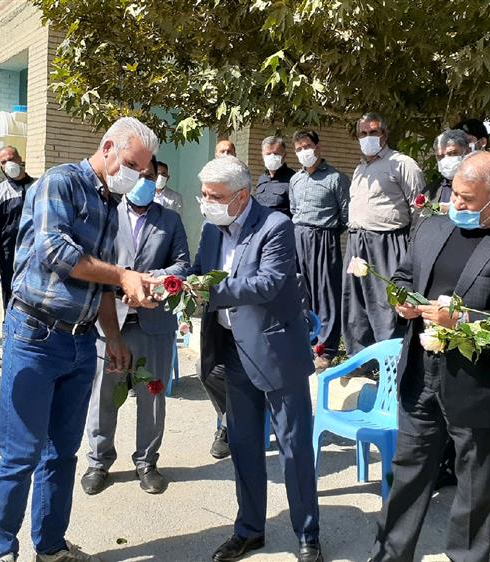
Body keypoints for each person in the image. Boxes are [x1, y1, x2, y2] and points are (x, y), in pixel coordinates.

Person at [0, 117, 162, 562]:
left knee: (62, 453)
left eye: (142, 170)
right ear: (108, 147)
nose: (135, 176)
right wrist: (124, 275)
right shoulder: (60, 183)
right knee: (21, 454)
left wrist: (113, 336)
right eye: (131, 164)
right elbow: (55, 252)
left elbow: (99, 283)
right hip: (36, 334)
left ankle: (49, 547)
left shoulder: (110, 203)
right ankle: (1, 551)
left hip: (81, 342)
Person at [370, 152, 490, 562]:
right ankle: (389, 555)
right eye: (454, 193)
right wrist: (401, 299)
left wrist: (464, 319)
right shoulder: (431, 228)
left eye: (468, 199)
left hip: (478, 384)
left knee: (474, 483)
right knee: (408, 472)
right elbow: (403, 275)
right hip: (420, 373)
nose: (456, 203)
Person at [192, 155, 322, 562]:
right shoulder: (211, 230)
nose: (206, 202)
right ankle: (249, 530)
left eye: (215, 196)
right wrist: (169, 283)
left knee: (294, 447)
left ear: (242, 196)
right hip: (234, 350)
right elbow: (197, 271)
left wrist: (208, 292)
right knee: (244, 444)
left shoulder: (276, 226)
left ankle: (308, 534)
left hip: (277, 351)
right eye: (204, 194)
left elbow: (266, 283)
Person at [81, 164, 190, 496]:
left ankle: (147, 462)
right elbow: (91, 261)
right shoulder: (106, 214)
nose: (143, 182)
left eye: (149, 177)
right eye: (138, 175)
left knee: (152, 394)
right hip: (110, 317)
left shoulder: (169, 219)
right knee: (103, 394)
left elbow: (183, 265)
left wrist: (147, 283)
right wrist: (121, 284)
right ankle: (98, 461)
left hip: (153, 321)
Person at [343, 113, 426, 357]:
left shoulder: (402, 163)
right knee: (355, 305)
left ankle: (390, 361)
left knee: (385, 305)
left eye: (373, 132)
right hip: (357, 242)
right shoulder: (360, 168)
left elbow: (419, 208)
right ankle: (360, 360)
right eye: (363, 133)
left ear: (385, 134)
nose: (367, 137)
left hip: (387, 242)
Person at [288, 128, 350, 370]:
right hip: (299, 237)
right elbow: (294, 210)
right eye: (299, 149)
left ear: (318, 147)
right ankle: (304, 343)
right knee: (300, 292)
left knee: (326, 294)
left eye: (307, 147)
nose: (304, 152)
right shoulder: (295, 179)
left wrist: (327, 236)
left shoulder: (336, 178)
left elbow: (346, 216)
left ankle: (326, 349)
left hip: (325, 239)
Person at [0, 146, 36, 312]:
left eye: (11, 159)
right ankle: (10, 324)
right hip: (10, 253)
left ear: (20, 159)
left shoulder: (39, 185)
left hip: (37, 250)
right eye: (3, 162)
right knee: (11, 294)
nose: (8, 164)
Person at [423, 129, 471, 207]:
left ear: (467, 152)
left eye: (452, 153)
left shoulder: (482, 186)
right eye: (440, 156)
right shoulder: (430, 191)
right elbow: (421, 212)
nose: (446, 160)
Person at [252, 135, 295, 216]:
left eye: (276, 153)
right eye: (268, 154)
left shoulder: (293, 179)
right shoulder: (262, 179)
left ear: (284, 155)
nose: (272, 156)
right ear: (262, 155)